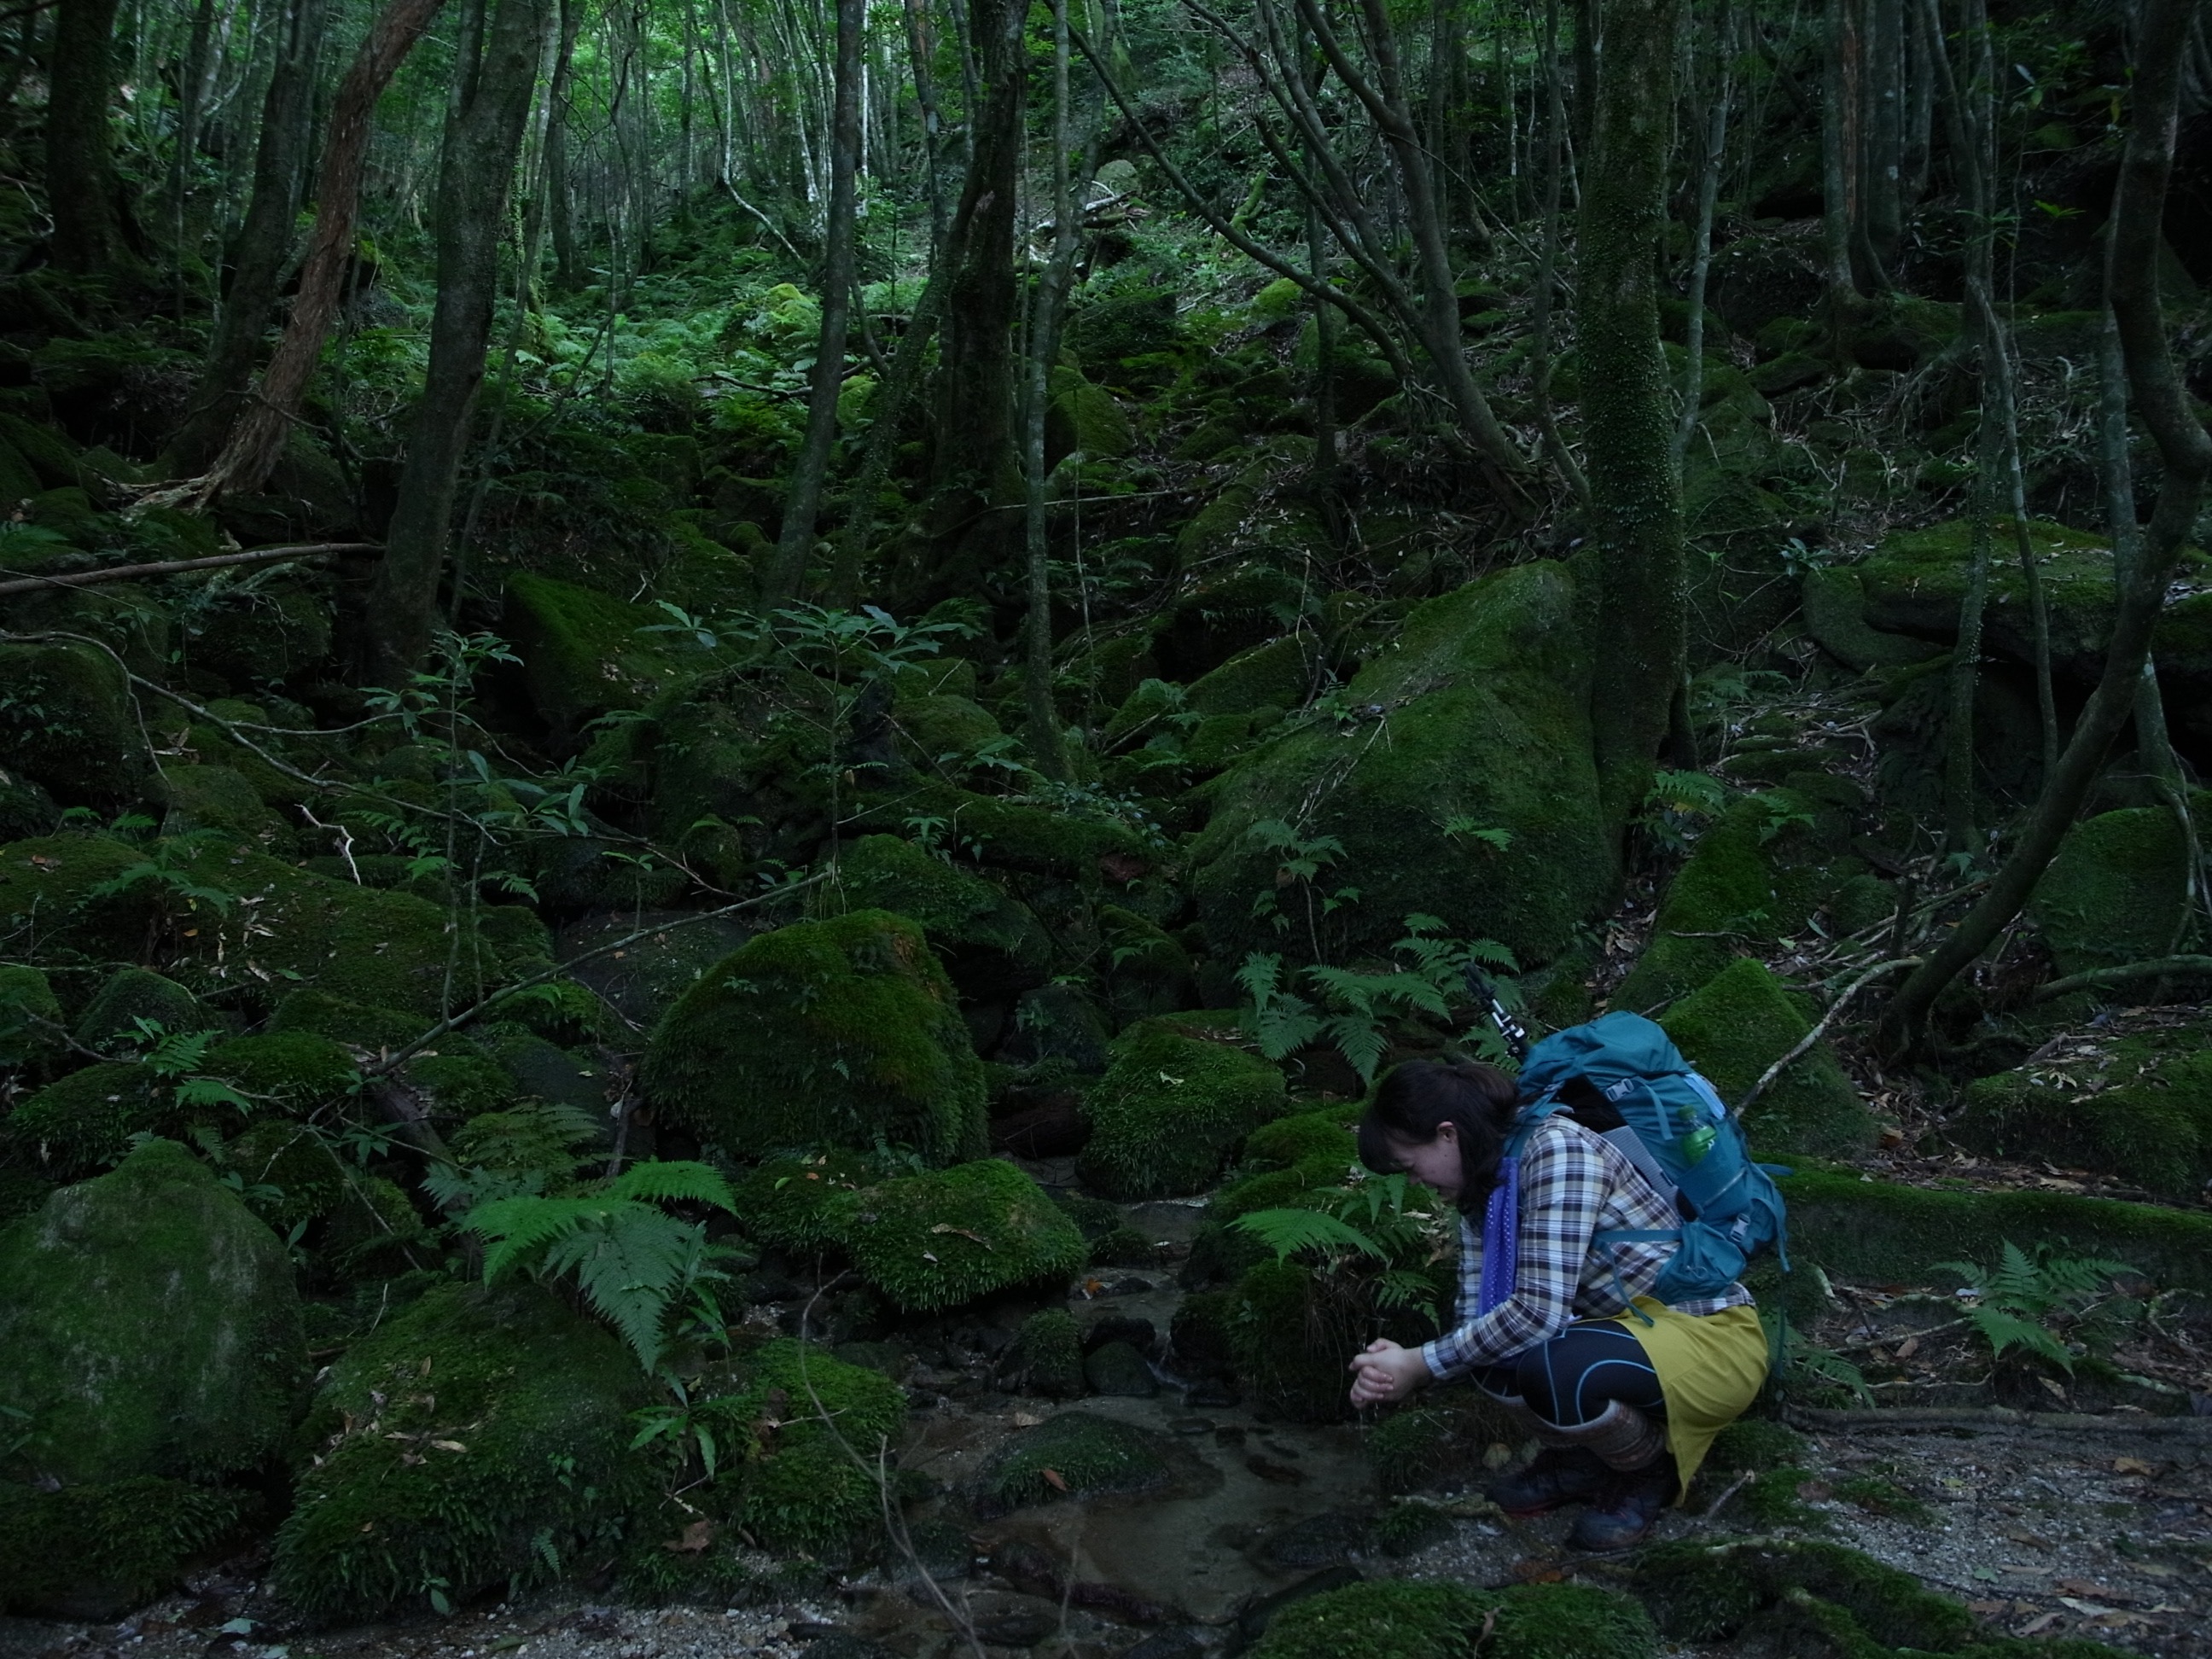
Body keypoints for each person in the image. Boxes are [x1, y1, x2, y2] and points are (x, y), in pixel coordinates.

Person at [1345, 1057, 1769, 1549]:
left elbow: (1536, 1313)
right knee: (1486, 1356)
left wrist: (1419, 1363)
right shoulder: (1486, 1182)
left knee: (1556, 1368)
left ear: (1447, 1134)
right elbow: (1477, 1319)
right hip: (1627, 1332)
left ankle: (1650, 1471)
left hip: (1710, 1339)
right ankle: (1581, 1462)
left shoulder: (1558, 1150)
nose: (1414, 1183)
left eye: (1408, 1167)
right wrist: (1396, 1368)